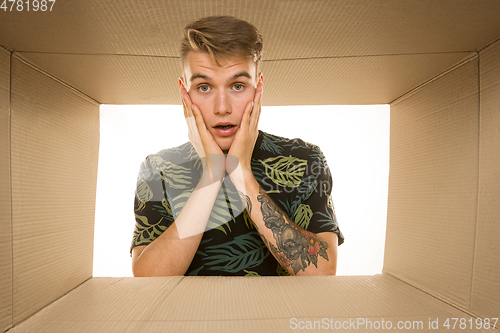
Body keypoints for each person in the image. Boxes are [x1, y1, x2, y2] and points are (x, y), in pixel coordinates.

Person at [130, 16, 344, 276]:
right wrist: (212, 174)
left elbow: (322, 274)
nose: (222, 107)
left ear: (258, 89)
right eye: (204, 87)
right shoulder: (158, 169)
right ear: (184, 94)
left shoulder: (304, 159)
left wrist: (241, 172)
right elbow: (146, 281)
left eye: (238, 86)